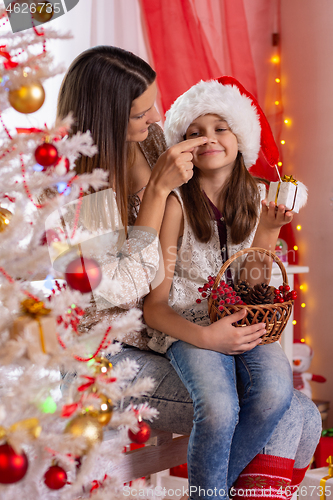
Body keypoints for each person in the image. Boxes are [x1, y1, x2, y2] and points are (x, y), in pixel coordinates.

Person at [57, 47, 321, 500]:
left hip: (171, 332)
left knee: (298, 410)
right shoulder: (83, 190)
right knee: (292, 414)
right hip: (109, 352)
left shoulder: (152, 139)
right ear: (107, 118)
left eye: (154, 103)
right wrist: (158, 192)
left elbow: (221, 190)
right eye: (141, 112)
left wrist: (264, 222)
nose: (156, 117)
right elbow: (125, 288)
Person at [143, 77, 321, 500]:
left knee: (277, 391)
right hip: (189, 327)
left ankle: (208, 492)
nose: (208, 139)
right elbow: (155, 307)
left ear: (241, 137)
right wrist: (206, 336)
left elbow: (252, 286)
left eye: (220, 128)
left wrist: (268, 232)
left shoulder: (261, 199)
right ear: (182, 146)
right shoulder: (177, 205)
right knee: (219, 409)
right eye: (194, 133)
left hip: (245, 321)